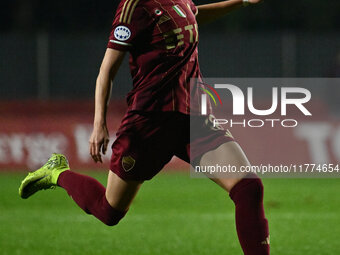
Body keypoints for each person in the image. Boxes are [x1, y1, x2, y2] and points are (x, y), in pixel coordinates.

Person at [19, 0, 269, 254]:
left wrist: (240, 2)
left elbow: (191, 16)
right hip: (150, 122)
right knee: (109, 211)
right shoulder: (134, 7)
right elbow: (106, 70)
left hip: (195, 117)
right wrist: (99, 124)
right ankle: (57, 173)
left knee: (249, 188)